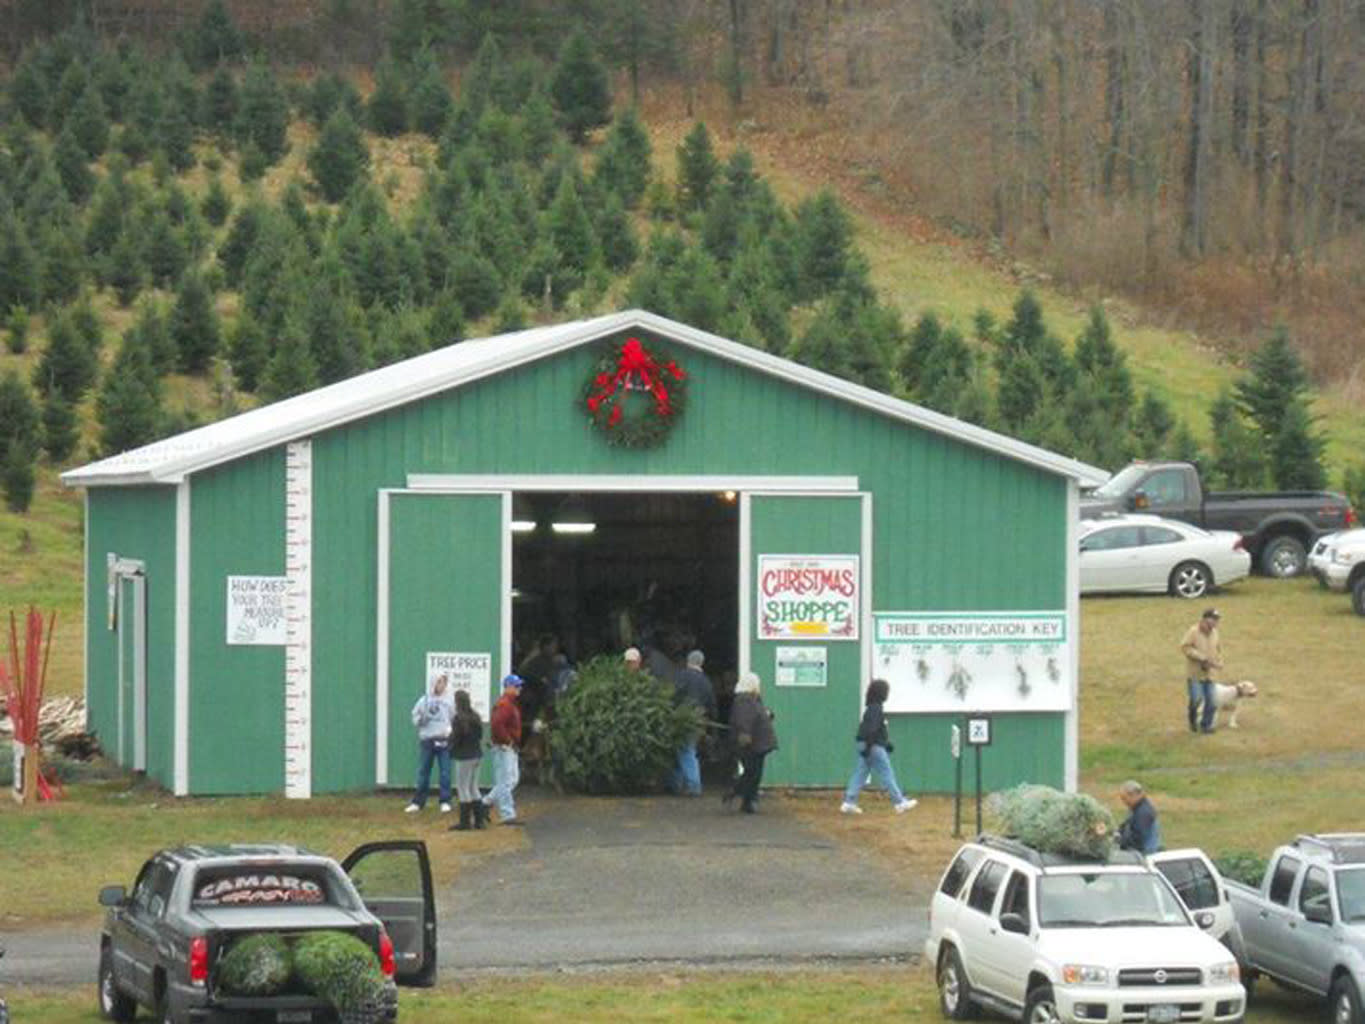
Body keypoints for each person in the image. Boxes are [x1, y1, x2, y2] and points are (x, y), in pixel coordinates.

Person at [840, 678, 918, 815]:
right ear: (881, 693)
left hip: (864, 743)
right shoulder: (876, 709)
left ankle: (849, 802)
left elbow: (871, 729)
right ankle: (899, 802)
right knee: (886, 773)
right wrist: (871, 746)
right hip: (873, 745)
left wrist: (884, 744)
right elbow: (873, 730)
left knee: (860, 773)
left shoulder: (871, 708)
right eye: (886, 691)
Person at [725, 671, 777, 814]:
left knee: (753, 772)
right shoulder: (744, 700)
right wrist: (745, 734)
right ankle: (744, 796)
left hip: (758, 741)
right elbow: (744, 719)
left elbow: (756, 714)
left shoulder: (752, 699)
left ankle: (745, 797)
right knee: (753, 772)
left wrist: (767, 714)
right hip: (754, 742)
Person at [405, 674, 453, 814]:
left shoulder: (449, 701)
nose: (441, 685)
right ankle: (418, 802)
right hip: (427, 739)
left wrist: (450, 731)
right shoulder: (424, 700)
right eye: (439, 682)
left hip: (443, 740)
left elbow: (453, 717)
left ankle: (445, 800)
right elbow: (415, 717)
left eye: (443, 682)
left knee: (445, 772)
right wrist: (421, 720)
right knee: (424, 771)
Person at [672, 649, 717, 796]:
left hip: (684, 718)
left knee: (685, 750)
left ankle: (693, 785)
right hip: (700, 720)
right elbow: (712, 703)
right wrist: (712, 721)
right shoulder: (706, 681)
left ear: (688, 661)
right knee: (683, 750)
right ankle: (676, 784)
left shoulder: (682, 676)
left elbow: (674, 694)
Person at [482, 675, 525, 826]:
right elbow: (497, 725)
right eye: (516, 686)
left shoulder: (510, 703)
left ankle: (484, 803)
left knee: (512, 780)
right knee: (506, 781)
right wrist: (508, 741)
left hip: (508, 746)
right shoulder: (505, 704)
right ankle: (507, 814)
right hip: (503, 747)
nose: (519, 688)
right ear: (508, 687)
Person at [1180, 607, 1224, 734]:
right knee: (1196, 699)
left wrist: (1219, 661)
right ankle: (1192, 720)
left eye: (1217, 619)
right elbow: (1185, 647)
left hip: (1210, 674)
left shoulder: (1215, 633)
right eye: (1213, 619)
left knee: (1212, 701)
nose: (1215, 622)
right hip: (1195, 674)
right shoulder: (1193, 631)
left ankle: (1206, 725)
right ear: (1205, 619)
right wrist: (1201, 657)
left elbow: (1218, 649)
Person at [448, 689, 485, 831]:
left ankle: (465, 823)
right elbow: (480, 735)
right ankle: (479, 821)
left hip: (464, 757)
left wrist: (449, 744)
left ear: (457, 702)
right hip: (477, 755)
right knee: (474, 787)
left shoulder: (459, 719)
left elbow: (456, 738)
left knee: (463, 788)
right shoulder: (475, 716)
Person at [1117, 780, 1162, 853]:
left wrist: (1121, 843)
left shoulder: (1143, 813)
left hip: (1144, 855)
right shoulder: (1136, 809)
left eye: (1125, 798)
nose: (1124, 802)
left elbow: (1138, 838)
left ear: (1134, 795)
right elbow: (1125, 826)